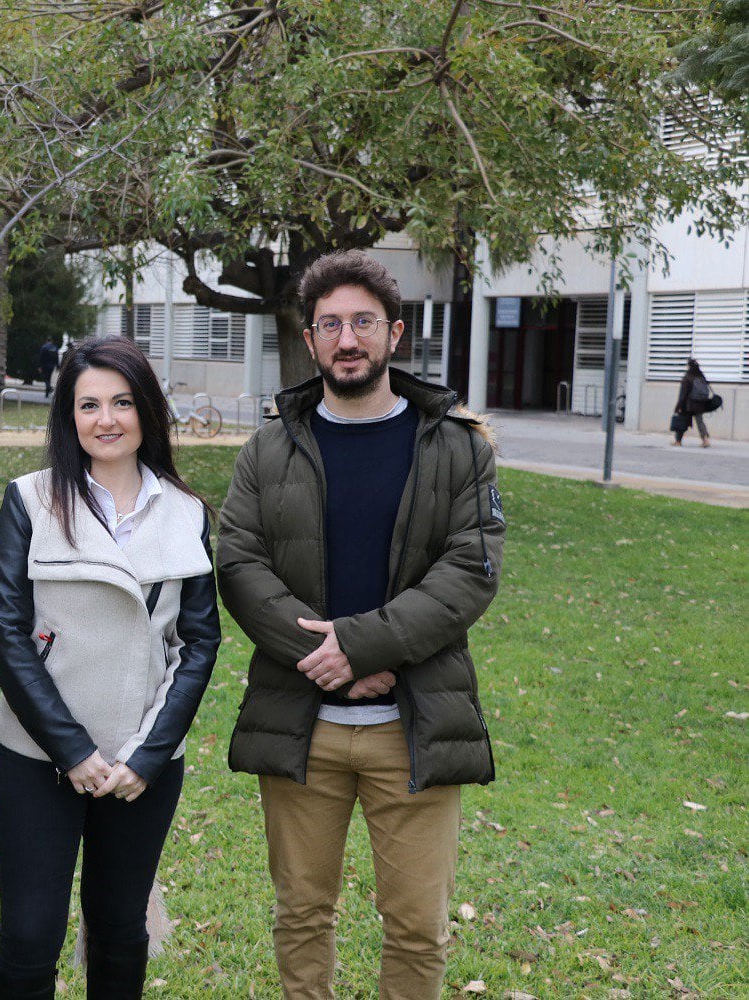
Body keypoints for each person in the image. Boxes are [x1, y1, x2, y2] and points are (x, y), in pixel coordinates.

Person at [217, 250, 506, 1000]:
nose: (348, 340)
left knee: (416, 926)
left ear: (396, 335)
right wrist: (330, 656)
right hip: (301, 719)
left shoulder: (457, 446)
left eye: (364, 323)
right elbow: (239, 565)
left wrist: (363, 645)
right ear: (310, 340)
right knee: (303, 915)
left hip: (412, 722)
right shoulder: (270, 445)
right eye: (331, 325)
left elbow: (470, 570)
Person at [0, 335, 220, 1000]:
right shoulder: (30, 500)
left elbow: (199, 642)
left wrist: (146, 756)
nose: (106, 419)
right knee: (30, 934)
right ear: (69, 416)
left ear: (146, 409)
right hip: (38, 758)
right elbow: (5, 629)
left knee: (119, 929)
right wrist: (73, 750)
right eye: (88, 405)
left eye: (122, 401)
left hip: (140, 767)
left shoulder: (186, 512)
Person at [672, 357, 712, 447]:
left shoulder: (688, 377)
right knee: (700, 422)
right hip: (700, 404)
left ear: (688, 366)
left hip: (689, 405)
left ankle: (678, 441)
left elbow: (683, 395)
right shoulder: (701, 376)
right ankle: (705, 440)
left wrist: (678, 406)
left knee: (681, 421)